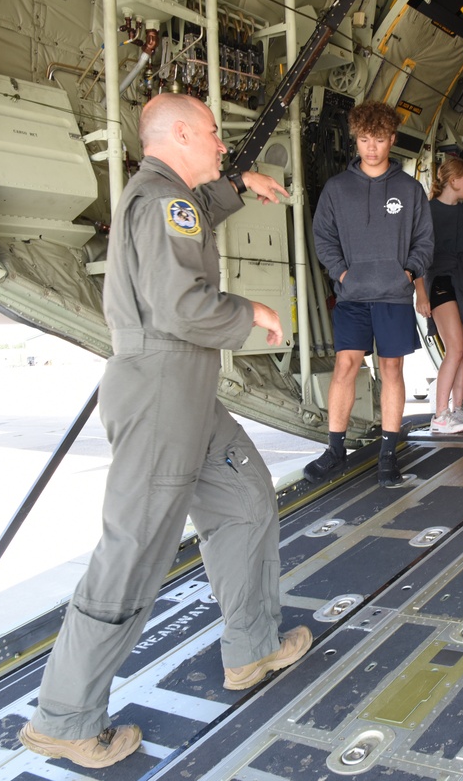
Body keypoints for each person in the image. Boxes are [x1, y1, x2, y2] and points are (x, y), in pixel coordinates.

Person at [18, 94, 311, 768]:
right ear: (179, 134)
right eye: (210, 133)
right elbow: (181, 305)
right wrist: (252, 313)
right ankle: (63, 716)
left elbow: (198, 213)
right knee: (135, 551)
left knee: (244, 498)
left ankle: (252, 647)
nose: (217, 141)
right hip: (159, 394)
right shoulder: (160, 202)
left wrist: (239, 185)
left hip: (186, 392)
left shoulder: (170, 196)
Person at [305, 101, 434, 487]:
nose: (371, 147)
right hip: (352, 295)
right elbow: (323, 237)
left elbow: (425, 241)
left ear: (392, 140)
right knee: (345, 365)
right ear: (355, 140)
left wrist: (407, 273)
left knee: (392, 368)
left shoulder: (410, 190)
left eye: (379, 139)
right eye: (364, 139)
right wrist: (343, 273)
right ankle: (334, 451)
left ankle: (388, 455)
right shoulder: (337, 188)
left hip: (394, 295)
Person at [414, 157, 463, 433]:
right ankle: (440, 413)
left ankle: (457, 409)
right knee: (454, 347)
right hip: (441, 279)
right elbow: (417, 255)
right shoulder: (428, 211)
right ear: (453, 180)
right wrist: (421, 293)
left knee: (462, 350)